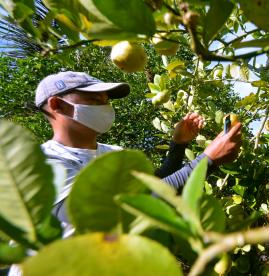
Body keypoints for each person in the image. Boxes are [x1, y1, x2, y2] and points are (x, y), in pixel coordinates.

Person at [34, 71, 242, 227]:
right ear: (57, 105)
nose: (105, 107)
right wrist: (208, 159)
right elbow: (124, 212)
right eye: (95, 100)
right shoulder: (45, 163)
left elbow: (155, 187)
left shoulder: (113, 153)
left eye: (106, 101)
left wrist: (178, 145)